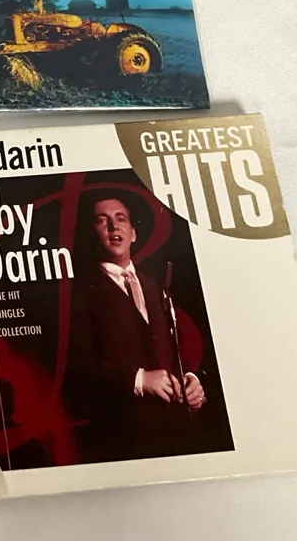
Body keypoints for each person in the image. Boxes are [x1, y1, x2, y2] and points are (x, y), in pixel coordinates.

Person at [63, 193, 209, 463]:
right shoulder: (77, 292)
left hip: (179, 436)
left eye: (121, 219)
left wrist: (192, 380)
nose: (113, 226)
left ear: (133, 233)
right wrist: (139, 380)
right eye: (102, 220)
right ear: (92, 234)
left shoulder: (155, 285)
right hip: (126, 442)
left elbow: (174, 348)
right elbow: (74, 367)